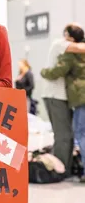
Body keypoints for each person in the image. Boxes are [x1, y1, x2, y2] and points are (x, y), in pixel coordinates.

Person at [41, 25, 85, 182]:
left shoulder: (69, 50)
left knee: (70, 134)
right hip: (55, 95)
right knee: (64, 135)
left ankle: (63, 168)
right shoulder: (60, 44)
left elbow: (57, 71)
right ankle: (62, 169)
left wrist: (44, 72)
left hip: (64, 96)